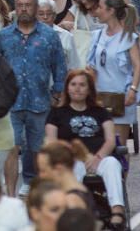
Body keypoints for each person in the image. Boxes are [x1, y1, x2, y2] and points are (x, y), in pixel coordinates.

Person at [0, 0, 66, 190]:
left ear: (36, 7)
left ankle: (32, 183)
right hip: (12, 102)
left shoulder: (49, 36)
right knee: (11, 146)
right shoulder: (4, 36)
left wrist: (57, 93)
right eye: (20, 5)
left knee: (36, 148)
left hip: (40, 100)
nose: (24, 9)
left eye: (28, 5)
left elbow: (59, 65)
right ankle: (10, 193)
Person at [44, 69, 125, 221]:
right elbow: (52, 142)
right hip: (71, 159)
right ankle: (76, 212)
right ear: (67, 88)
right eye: (73, 84)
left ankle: (117, 210)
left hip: (98, 157)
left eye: (82, 85)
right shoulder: (57, 113)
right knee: (75, 167)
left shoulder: (100, 112)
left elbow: (110, 140)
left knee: (113, 163)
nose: (77, 88)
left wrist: (98, 157)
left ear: (89, 89)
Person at [86, 0, 140, 144]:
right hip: (100, 96)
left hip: (121, 96)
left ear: (111, 11)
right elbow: (92, 66)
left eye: (101, 7)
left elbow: (137, 66)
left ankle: (122, 168)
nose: (97, 11)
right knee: (101, 143)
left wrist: (133, 88)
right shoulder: (97, 36)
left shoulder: (128, 37)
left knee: (119, 144)